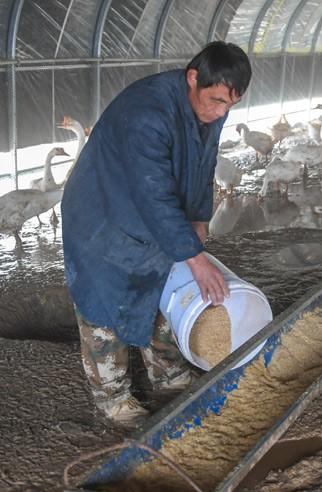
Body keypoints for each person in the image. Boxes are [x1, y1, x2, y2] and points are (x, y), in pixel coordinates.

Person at [61, 42, 251, 426]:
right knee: (105, 304)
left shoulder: (212, 108)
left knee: (166, 288)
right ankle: (113, 399)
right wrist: (195, 258)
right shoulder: (146, 113)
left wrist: (198, 217)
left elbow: (204, 161)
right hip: (103, 216)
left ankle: (167, 373)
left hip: (152, 215)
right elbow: (152, 195)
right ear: (193, 78)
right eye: (214, 101)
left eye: (229, 105)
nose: (219, 113)